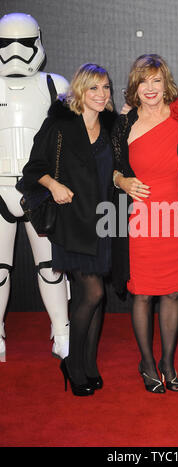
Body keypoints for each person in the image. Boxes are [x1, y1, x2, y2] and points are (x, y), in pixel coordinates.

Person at [22, 63, 117, 396]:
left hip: (104, 221)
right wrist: (53, 184)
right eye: (94, 88)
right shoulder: (60, 124)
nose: (102, 95)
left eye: (106, 88)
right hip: (72, 221)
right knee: (92, 293)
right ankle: (73, 365)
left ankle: (89, 364)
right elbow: (32, 169)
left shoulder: (110, 124)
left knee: (96, 299)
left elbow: (118, 170)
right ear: (79, 91)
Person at [112, 54, 178, 394]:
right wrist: (122, 181)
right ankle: (146, 362)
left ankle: (168, 363)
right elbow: (109, 168)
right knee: (142, 295)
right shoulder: (123, 124)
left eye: (156, 81)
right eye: (144, 81)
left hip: (175, 218)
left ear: (165, 84)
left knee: (173, 291)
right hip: (140, 220)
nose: (150, 88)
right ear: (135, 86)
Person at [0, 12, 69, 362]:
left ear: (37, 41)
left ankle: (62, 330)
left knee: (52, 268)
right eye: (5, 44)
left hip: (40, 189)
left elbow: (76, 137)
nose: (14, 52)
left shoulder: (54, 86)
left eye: (23, 44)